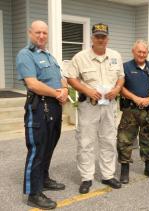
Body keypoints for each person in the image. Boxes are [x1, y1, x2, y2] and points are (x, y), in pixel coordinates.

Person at [64, 23, 124, 193]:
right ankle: (86, 178)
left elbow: (121, 77)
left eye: (103, 36)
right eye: (97, 36)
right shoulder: (80, 57)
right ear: (92, 38)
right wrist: (87, 90)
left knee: (109, 141)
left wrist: (117, 89)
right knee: (86, 142)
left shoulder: (115, 55)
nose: (100, 39)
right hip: (89, 106)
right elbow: (70, 77)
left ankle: (108, 175)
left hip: (109, 106)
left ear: (107, 38)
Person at [16, 20, 68, 209]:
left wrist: (64, 90)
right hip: (39, 107)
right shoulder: (25, 55)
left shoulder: (50, 55)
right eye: (37, 32)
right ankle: (33, 193)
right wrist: (56, 93)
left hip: (55, 106)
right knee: (37, 149)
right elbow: (32, 84)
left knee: (49, 146)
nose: (41, 36)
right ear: (30, 33)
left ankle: (44, 179)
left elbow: (61, 78)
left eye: (44, 33)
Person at [117, 40, 149, 184]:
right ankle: (125, 170)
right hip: (130, 110)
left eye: (144, 52)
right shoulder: (125, 67)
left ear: (147, 53)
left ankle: (148, 168)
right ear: (133, 51)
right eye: (139, 52)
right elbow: (120, 86)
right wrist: (134, 98)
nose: (142, 54)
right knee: (124, 140)